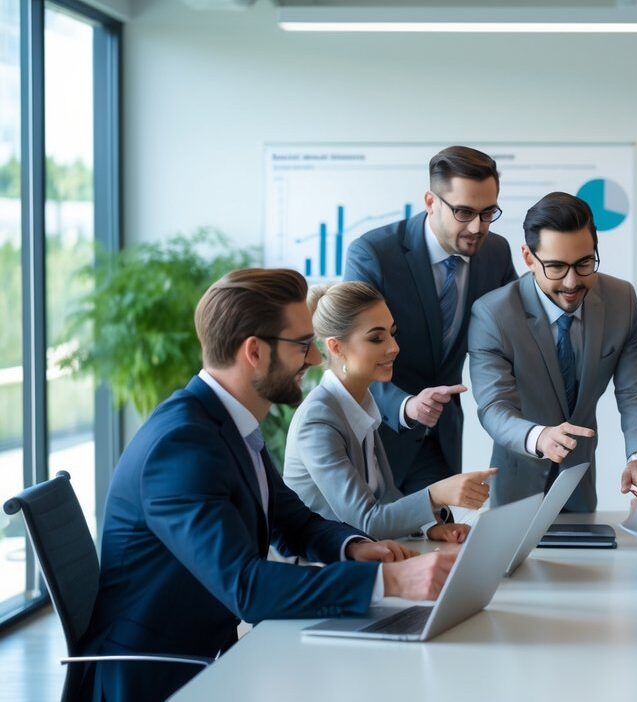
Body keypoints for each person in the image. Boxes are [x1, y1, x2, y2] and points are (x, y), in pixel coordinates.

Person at [80, 269, 455, 701]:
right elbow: (246, 588)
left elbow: (289, 518)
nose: (315, 360)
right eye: (302, 345)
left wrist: (352, 548)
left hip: (211, 657)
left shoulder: (227, 422)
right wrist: (389, 581)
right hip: (155, 680)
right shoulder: (181, 446)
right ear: (254, 352)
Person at [468, 192, 637, 512]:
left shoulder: (621, 300)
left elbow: (636, 392)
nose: (572, 282)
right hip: (517, 489)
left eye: (584, 263)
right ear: (528, 258)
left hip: (580, 484)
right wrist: (539, 437)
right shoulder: (493, 314)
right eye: (556, 266)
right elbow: (493, 406)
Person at [344, 145, 517, 495]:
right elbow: (351, 356)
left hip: (443, 440)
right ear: (430, 201)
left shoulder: (495, 253)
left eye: (488, 213)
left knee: (441, 539)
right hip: (379, 438)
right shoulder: (373, 254)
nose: (477, 227)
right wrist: (406, 405)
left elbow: (518, 333)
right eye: (464, 212)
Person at [284, 281, 498, 542]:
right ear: (336, 347)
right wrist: (436, 493)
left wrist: (430, 526)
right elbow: (366, 521)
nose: (394, 347)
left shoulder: (361, 401)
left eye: (391, 333)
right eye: (376, 338)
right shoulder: (318, 420)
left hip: (361, 558)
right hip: (322, 569)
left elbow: (387, 497)